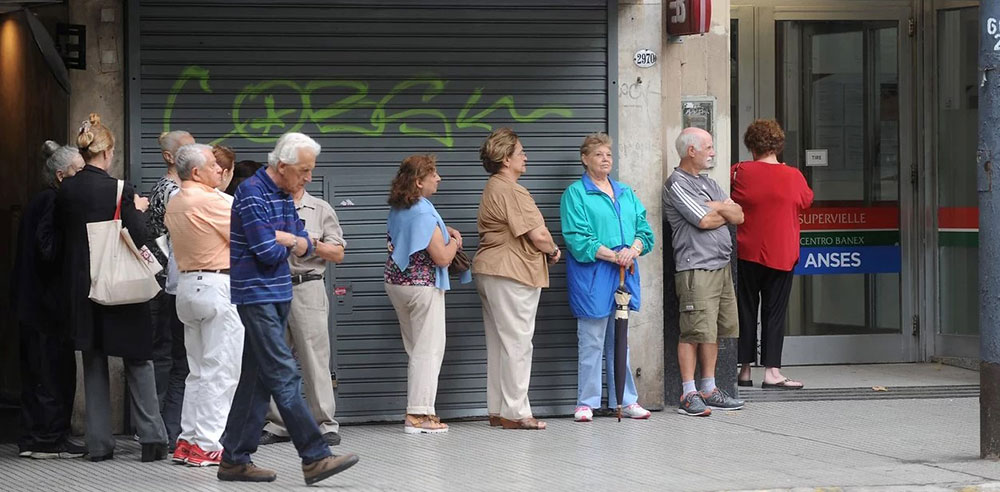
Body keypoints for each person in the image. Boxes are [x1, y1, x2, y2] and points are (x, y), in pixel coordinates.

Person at [219, 132, 358, 484]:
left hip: (279, 294)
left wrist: (289, 238)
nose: (309, 177)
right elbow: (267, 251)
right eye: (304, 170)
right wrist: (291, 241)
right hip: (257, 296)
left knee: (256, 380)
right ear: (282, 166)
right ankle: (315, 456)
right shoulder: (252, 193)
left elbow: (303, 241)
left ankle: (234, 458)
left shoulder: (282, 194)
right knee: (284, 374)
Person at [56, 113, 168, 460]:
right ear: (107, 152)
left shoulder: (66, 190)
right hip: (122, 285)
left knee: (93, 362)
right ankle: (152, 439)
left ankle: (99, 444)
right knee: (139, 359)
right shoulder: (120, 189)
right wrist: (140, 211)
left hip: (84, 287)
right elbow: (139, 235)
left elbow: (61, 236)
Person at [559, 132, 654, 422]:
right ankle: (585, 403)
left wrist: (633, 250)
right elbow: (577, 238)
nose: (605, 159)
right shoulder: (576, 193)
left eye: (609, 154)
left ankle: (625, 400)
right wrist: (615, 256)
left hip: (624, 273)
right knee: (591, 339)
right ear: (585, 159)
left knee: (621, 338)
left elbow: (644, 230)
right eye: (598, 154)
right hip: (593, 275)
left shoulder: (625, 192)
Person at [473, 128, 560, 430]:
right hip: (512, 271)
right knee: (518, 343)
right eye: (520, 152)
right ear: (506, 159)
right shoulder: (512, 190)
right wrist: (553, 250)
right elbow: (539, 235)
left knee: (499, 343)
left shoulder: (491, 187)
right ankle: (516, 411)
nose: (526, 157)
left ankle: (498, 409)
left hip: (490, 269)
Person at [163, 144, 244, 467]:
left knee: (197, 371)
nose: (218, 170)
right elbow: (248, 236)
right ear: (196, 172)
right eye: (212, 165)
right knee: (221, 370)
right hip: (217, 285)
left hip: (186, 287)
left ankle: (188, 440)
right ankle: (208, 444)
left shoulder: (175, 201)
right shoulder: (213, 201)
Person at [260, 168, 348, 445]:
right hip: (272, 288)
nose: (306, 177)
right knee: (273, 359)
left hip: (307, 286)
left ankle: (324, 424)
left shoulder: (320, 209)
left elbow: (338, 253)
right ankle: (278, 424)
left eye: (308, 172)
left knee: (314, 359)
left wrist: (309, 244)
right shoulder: (265, 206)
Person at [663, 127, 746, 417]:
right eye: (708, 147)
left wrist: (717, 207)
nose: (713, 152)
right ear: (691, 151)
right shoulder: (676, 184)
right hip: (696, 268)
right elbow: (703, 220)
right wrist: (722, 210)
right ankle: (688, 393)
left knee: (713, 330)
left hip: (721, 266)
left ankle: (709, 389)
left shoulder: (709, 183)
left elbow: (739, 215)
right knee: (693, 330)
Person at [383, 154, 470, 434]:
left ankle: (421, 410)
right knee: (429, 350)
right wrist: (453, 241)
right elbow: (442, 257)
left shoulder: (400, 206)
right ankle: (419, 415)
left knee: (416, 349)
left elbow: (419, 234)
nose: (439, 178)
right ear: (419, 181)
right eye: (434, 174)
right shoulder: (422, 210)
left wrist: (445, 229)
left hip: (397, 283)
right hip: (421, 286)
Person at [13, 142, 86, 459]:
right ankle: (48, 439)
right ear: (61, 175)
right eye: (78, 171)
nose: (83, 177)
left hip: (35, 303)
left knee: (39, 372)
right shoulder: (53, 202)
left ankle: (36, 437)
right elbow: (48, 250)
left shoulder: (41, 200)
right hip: (47, 305)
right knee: (52, 371)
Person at [732, 119, 814, 389]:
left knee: (745, 309)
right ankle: (772, 372)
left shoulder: (739, 172)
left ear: (751, 146)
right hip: (782, 253)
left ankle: (744, 370)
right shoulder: (793, 176)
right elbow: (806, 201)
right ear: (778, 145)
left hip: (746, 251)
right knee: (774, 312)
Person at [149, 130, 195, 448]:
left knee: (174, 358)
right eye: (187, 149)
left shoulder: (175, 189)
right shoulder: (171, 192)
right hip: (167, 285)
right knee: (169, 358)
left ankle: (165, 428)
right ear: (169, 157)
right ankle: (160, 429)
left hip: (176, 283)